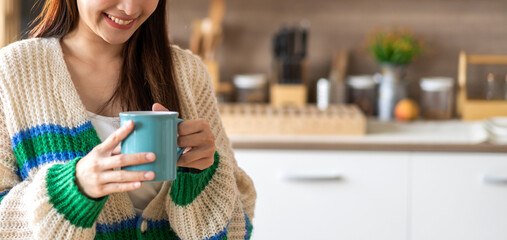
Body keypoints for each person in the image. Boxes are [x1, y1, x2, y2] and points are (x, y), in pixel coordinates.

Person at [0, 0, 256, 239]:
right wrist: (74, 188)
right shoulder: (13, 72)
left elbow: (238, 225)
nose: (130, 7)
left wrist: (202, 176)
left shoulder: (187, 74)